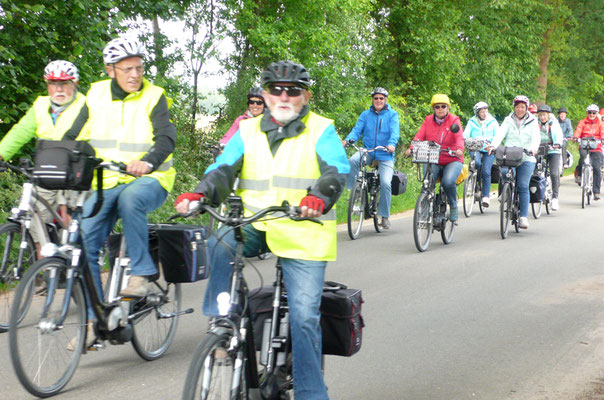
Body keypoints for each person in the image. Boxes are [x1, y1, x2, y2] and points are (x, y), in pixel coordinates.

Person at [175, 60, 349, 400]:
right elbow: (223, 169)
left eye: (293, 91)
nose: (284, 96)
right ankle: (223, 322)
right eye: (275, 89)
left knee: (302, 318)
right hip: (255, 223)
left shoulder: (321, 129)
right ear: (266, 95)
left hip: (304, 231)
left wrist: (318, 197)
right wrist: (200, 192)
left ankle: (312, 393)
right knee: (221, 239)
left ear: (306, 95)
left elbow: (336, 171)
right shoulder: (247, 131)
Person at [63, 37, 177, 348]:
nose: (135, 75)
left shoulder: (154, 96)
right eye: (128, 69)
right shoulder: (97, 94)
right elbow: (76, 133)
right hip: (106, 181)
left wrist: (149, 162)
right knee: (81, 242)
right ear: (111, 70)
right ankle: (95, 319)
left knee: (131, 200)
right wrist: (63, 157)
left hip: (150, 179)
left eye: (139, 68)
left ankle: (140, 273)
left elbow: (166, 139)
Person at [0, 60, 84, 251]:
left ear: (75, 84)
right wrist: (1, 153)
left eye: (65, 83)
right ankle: (44, 267)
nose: (59, 89)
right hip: (47, 170)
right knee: (33, 218)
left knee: (68, 216)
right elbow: (20, 131)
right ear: (48, 85)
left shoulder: (85, 105)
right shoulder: (40, 105)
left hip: (74, 173)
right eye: (54, 83)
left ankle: (72, 262)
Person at [344, 87, 399, 228]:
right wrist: (348, 140)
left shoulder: (392, 115)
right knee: (353, 161)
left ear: (385, 100)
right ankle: (355, 192)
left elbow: (394, 132)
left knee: (386, 183)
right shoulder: (365, 115)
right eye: (376, 98)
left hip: (385, 153)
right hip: (368, 151)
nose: (378, 101)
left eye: (381, 98)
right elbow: (356, 131)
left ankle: (385, 216)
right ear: (373, 100)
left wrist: (391, 145)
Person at [404, 94, 464, 220]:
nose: (440, 109)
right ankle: (425, 210)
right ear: (433, 109)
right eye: (437, 107)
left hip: (452, 159)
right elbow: (419, 137)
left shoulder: (454, 120)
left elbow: (459, 136)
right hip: (433, 158)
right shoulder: (428, 120)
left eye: (443, 106)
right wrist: (411, 148)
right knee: (427, 184)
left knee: (448, 182)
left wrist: (459, 149)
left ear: (447, 108)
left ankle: (453, 204)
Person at [488, 95, 540, 229]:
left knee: (523, 185)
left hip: (526, 157)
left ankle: (523, 217)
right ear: (514, 107)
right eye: (517, 107)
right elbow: (500, 133)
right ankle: (506, 192)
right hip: (510, 155)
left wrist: (533, 148)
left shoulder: (533, 121)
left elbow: (536, 137)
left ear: (526, 108)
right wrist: (493, 145)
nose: (520, 109)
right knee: (504, 173)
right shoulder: (508, 120)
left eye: (522, 107)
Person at [463, 101, 499, 208]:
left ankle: (485, 196)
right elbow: (465, 134)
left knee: (486, 171)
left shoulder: (493, 122)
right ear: (477, 112)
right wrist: (466, 140)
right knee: (476, 164)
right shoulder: (472, 122)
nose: (484, 113)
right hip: (475, 146)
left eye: (486, 111)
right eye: (482, 111)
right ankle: (474, 182)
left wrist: (492, 144)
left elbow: (497, 135)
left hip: (489, 148)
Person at [573, 104, 604, 200]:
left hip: (596, 147)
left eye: (594, 113)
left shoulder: (600, 123)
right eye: (590, 113)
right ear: (587, 113)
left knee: (596, 167)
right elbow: (578, 130)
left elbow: (603, 132)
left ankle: (596, 192)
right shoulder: (582, 122)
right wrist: (576, 137)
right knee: (582, 159)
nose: (592, 114)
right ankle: (579, 174)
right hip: (584, 145)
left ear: (597, 114)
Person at [536, 105, 563, 210]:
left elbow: (558, 135)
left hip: (553, 149)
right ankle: (539, 190)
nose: (542, 117)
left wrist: (557, 143)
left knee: (554, 173)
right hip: (540, 148)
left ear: (548, 115)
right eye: (541, 115)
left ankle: (555, 198)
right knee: (536, 170)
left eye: (544, 115)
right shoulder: (535, 123)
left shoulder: (554, 123)